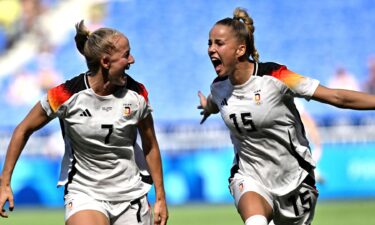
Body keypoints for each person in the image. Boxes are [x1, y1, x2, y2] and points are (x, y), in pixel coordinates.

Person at [198, 7, 375, 225]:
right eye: (209, 43)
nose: (211, 49)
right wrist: (207, 107)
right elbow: (215, 103)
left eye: (219, 43)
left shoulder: (277, 76)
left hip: (295, 181)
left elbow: (336, 97)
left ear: (240, 50)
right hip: (250, 177)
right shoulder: (218, 87)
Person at [0, 20, 168, 225]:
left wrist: (160, 197)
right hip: (85, 194)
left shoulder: (137, 94)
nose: (132, 60)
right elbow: (23, 129)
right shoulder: (65, 94)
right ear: (106, 62)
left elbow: (150, 144)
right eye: (126, 55)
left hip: (131, 196)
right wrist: (5, 182)